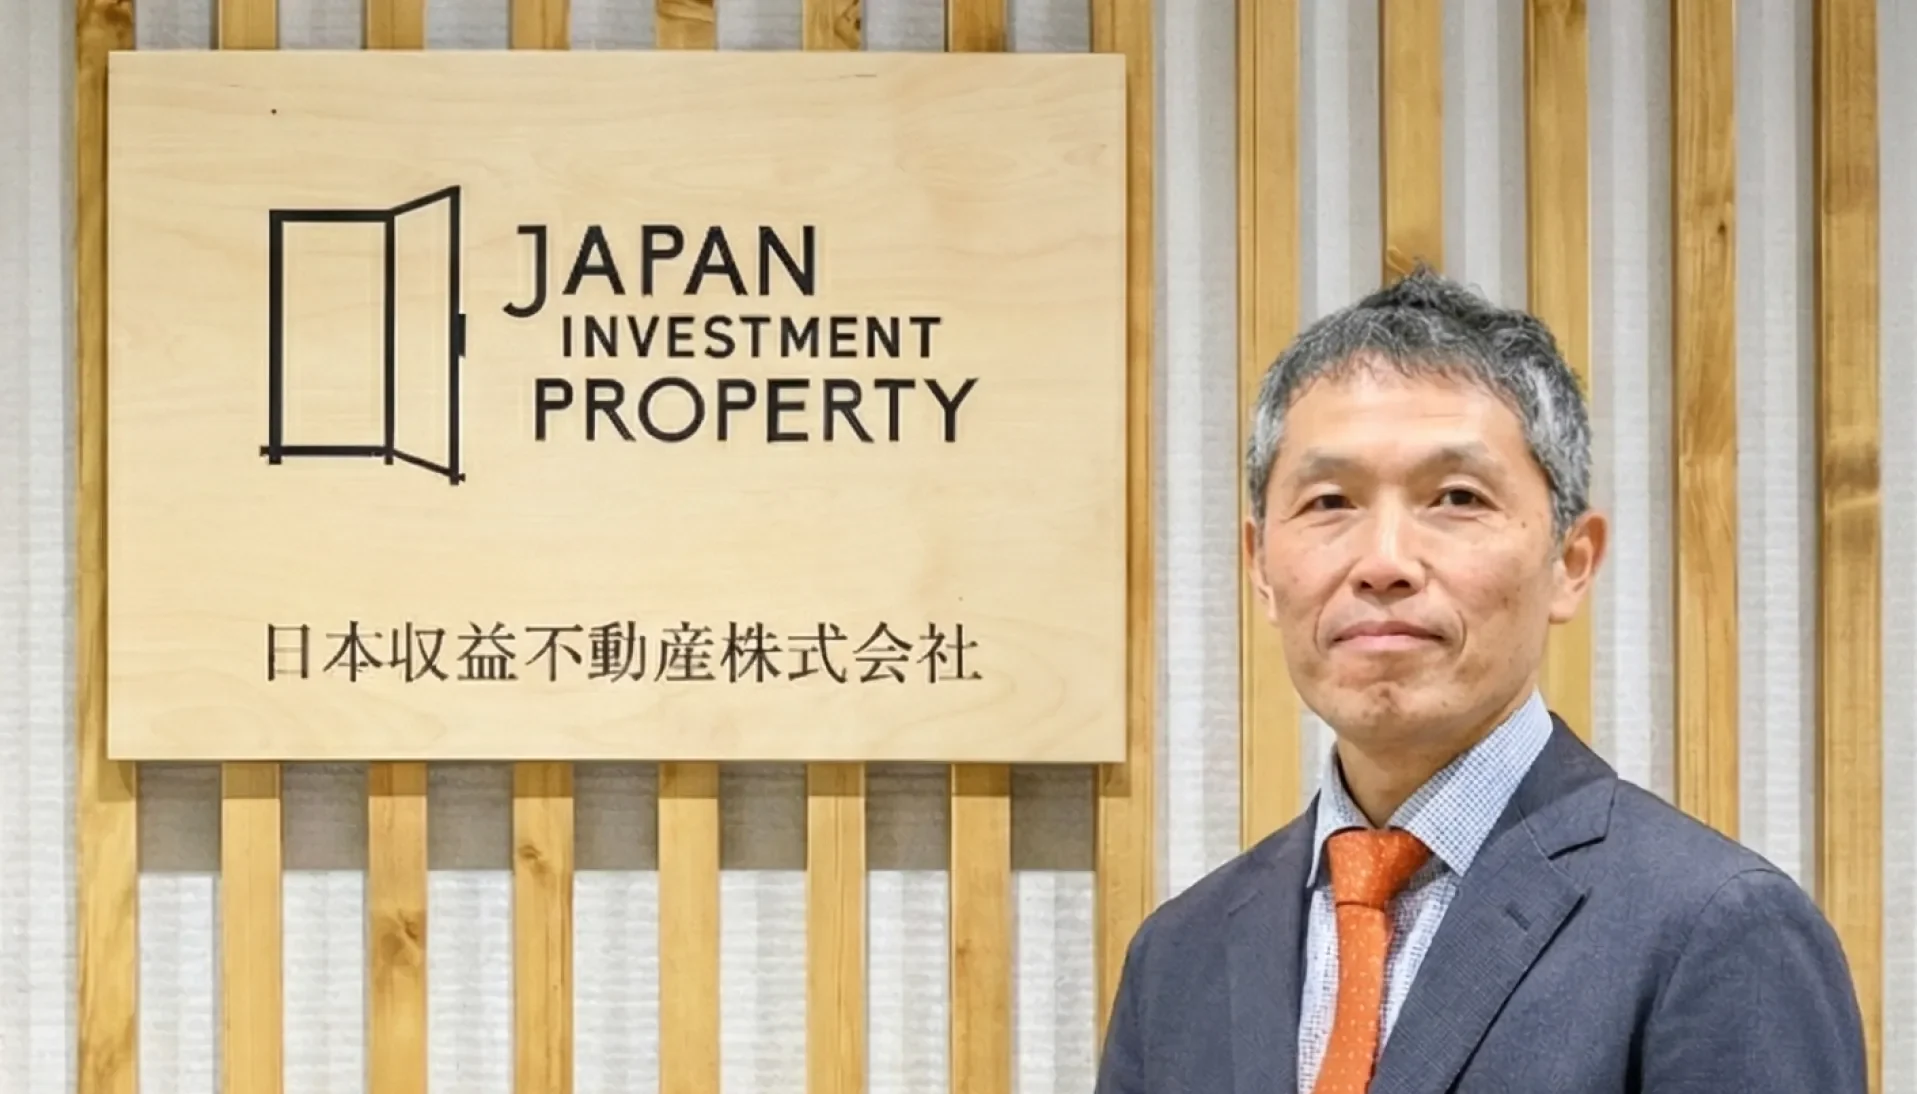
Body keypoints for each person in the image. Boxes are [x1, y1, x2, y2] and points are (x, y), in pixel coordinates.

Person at [1092, 269, 1868, 1093]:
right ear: (1258, 565)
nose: (1383, 561)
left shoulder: (1718, 927)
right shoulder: (1176, 956)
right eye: (1329, 502)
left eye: (1455, 497)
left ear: (1570, 562)